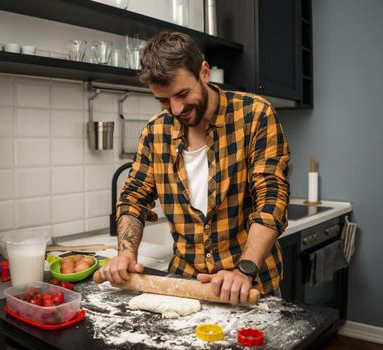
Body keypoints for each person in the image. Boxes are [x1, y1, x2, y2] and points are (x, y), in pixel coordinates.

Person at [96, 32, 290, 305]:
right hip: (185, 286)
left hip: (249, 285)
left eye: (182, 94)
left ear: (204, 72)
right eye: (163, 100)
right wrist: (126, 253)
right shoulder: (155, 132)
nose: (175, 109)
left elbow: (272, 198)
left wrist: (244, 269)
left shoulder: (255, 115)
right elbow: (134, 198)